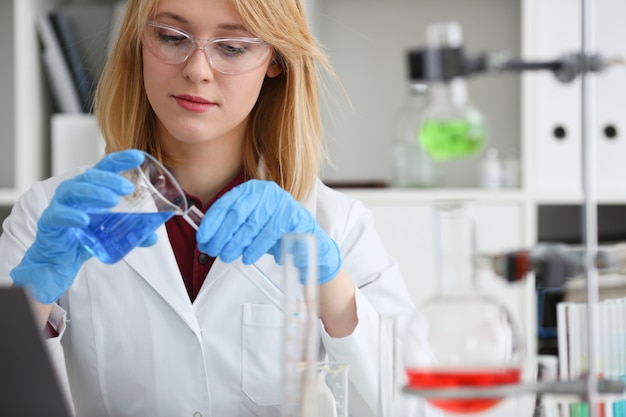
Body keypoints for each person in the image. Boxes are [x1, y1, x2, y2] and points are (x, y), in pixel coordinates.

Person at [0, 0, 433, 415]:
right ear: (138, 42)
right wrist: (32, 298)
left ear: (276, 61)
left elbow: (423, 408)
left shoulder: (337, 226)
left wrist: (334, 291)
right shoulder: (54, 217)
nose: (196, 69)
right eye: (172, 37)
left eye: (232, 47)